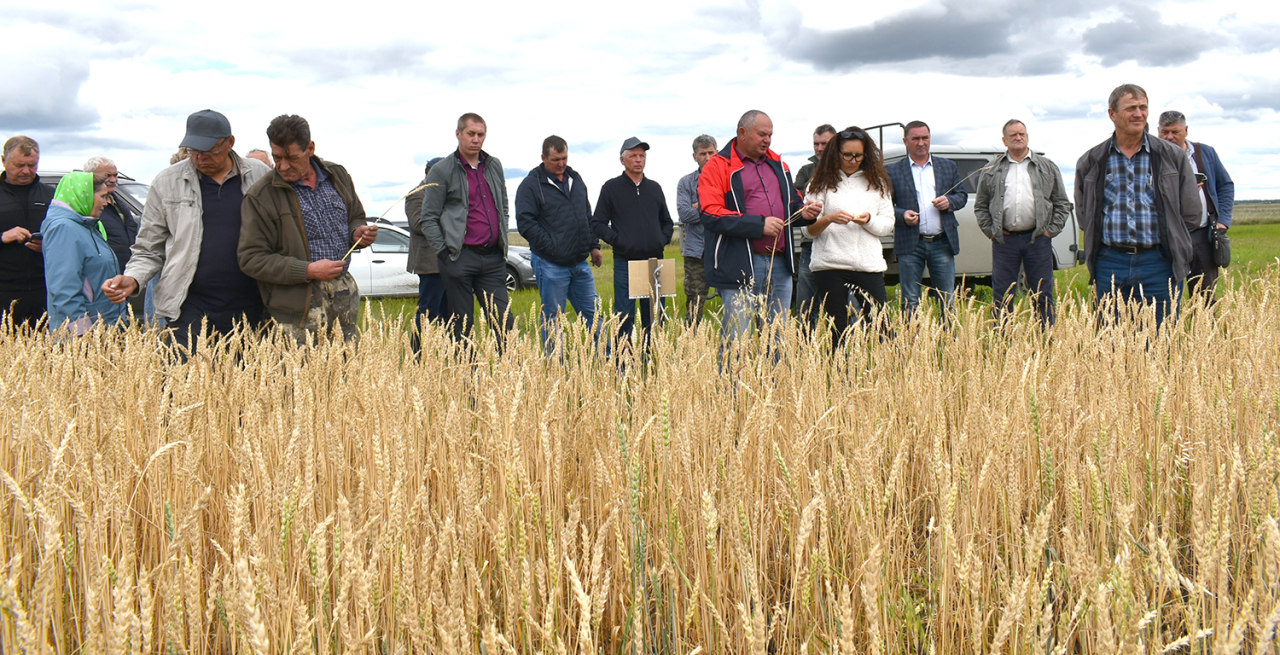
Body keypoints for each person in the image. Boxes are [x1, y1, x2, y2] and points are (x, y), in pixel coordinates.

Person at [102, 109, 273, 345]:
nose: (201, 157)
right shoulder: (166, 182)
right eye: (194, 150)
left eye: (210, 150)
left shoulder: (259, 175)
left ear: (230, 142)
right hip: (189, 306)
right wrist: (133, 278)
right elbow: (148, 248)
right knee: (186, 379)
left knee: (248, 380)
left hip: (253, 303)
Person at [239, 114, 376, 342]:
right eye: (277, 157)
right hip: (296, 310)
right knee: (299, 377)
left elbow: (355, 217)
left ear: (310, 148)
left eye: (291, 157)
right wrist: (308, 270)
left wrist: (358, 232)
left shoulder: (337, 175)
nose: (283, 166)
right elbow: (250, 259)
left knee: (346, 374)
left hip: (344, 299)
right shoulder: (260, 196)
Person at [1075, 84, 1200, 328]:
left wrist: (1169, 242)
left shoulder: (1172, 156)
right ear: (1112, 114)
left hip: (1160, 262)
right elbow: (1084, 214)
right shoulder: (1092, 160)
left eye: (1143, 107)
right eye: (1131, 108)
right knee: (1111, 342)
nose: (1139, 114)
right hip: (1110, 261)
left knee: (1160, 339)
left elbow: (1191, 213)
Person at [698, 110, 821, 347]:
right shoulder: (718, 166)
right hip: (739, 265)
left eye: (770, 135)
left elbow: (792, 205)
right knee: (738, 339)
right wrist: (759, 225)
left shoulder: (779, 165)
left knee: (778, 338)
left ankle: (776, 385)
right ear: (742, 133)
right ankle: (733, 385)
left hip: (780, 264)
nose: (767, 140)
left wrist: (804, 213)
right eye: (762, 134)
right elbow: (711, 214)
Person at [420, 113, 515, 345]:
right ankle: (467, 380)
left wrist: (502, 239)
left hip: (492, 258)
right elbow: (428, 217)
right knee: (463, 327)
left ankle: (513, 379)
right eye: (471, 134)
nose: (476, 139)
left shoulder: (493, 165)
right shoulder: (441, 171)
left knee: (505, 324)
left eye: (481, 134)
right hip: (459, 257)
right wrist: (444, 254)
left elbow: (502, 205)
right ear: (458, 134)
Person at [802, 127, 895, 349]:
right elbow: (807, 231)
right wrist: (829, 218)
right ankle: (841, 380)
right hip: (830, 266)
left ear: (866, 155)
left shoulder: (878, 183)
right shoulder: (819, 183)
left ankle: (892, 378)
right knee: (838, 331)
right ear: (836, 153)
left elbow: (887, 225)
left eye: (858, 155)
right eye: (847, 155)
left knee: (883, 327)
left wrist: (869, 219)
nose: (853, 161)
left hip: (868, 265)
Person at [973, 120, 1072, 326]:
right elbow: (980, 205)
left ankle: (1046, 340)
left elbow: (1061, 203)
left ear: (1027, 136)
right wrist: (992, 231)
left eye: (1022, 134)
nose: (1018, 138)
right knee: (1002, 294)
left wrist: (1050, 232)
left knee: (1042, 293)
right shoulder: (991, 170)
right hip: (1004, 241)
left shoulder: (1047, 167)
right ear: (1004, 140)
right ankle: (1003, 342)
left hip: (1038, 239)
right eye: (1013, 135)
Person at [516, 136, 603, 352]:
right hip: (550, 264)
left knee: (595, 313)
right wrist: (552, 248)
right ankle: (556, 369)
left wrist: (594, 246)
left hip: (580, 263)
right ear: (544, 157)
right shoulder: (531, 185)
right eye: (556, 159)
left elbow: (586, 215)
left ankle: (609, 362)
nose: (561, 163)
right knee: (553, 319)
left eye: (564, 158)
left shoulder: (575, 179)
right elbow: (526, 223)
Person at [591, 137, 674, 344]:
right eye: (633, 156)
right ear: (622, 160)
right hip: (625, 263)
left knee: (655, 317)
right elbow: (598, 223)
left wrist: (661, 240)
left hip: (655, 262)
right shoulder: (611, 188)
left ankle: (653, 361)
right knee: (625, 317)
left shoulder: (654, 188)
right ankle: (625, 364)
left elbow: (666, 221)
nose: (638, 160)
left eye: (642, 156)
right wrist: (620, 241)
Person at [887, 121, 968, 317]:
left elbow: (962, 195)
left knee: (947, 299)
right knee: (910, 299)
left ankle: (950, 344)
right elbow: (885, 206)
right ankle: (912, 345)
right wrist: (902, 215)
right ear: (906, 141)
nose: (921, 143)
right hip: (910, 245)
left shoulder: (947, 166)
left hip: (942, 242)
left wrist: (950, 201)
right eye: (916, 138)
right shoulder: (893, 170)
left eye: (925, 138)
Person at [1157, 110, 1235, 301]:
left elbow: (1225, 186)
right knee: (1163, 297)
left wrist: (1222, 222)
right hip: (1165, 237)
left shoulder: (1204, 153)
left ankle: (1204, 330)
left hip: (1201, 235)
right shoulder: (1153, 157)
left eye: (1175, 132)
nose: (1169, 137)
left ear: (1186, 130)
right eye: (1164, 132)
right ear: (1158, 132)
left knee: (1205, 298)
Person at [42, 171, 123, 333]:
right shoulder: (64, 229)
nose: (106, 203)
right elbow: (64, 288)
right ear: (84, 196)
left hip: (102, 325)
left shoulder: (87, 226)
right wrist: (82, 333)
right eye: (102, 196)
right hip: (85, 334)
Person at [0, 136, 52, 328]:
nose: (26, 171)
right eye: (19, 165)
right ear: (3, 160)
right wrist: (3, 237)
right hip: (4, 291)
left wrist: (48, 245)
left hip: (44, 290)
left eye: (32, 165)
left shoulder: (50, 195)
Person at [83, 156, 143, 319]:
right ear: (91, 177)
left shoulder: (119, 202)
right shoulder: (88, 207)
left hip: (126, 274)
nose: (113, 180)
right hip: (103, 281)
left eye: (115, 175)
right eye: (107, 176)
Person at [792, 124, 836, 321]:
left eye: (824, 144)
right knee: (805, 306)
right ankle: (804, 347)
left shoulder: (847, 170)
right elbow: (795, 201)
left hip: (839, 245)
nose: (819, 148)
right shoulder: (806, 171)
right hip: (810, 244)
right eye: (816, 144)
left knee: (839, 305)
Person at [406, 156, 449, 352]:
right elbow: (417, 224)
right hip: (430, 262)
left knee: (448, 312)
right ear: (428, 172)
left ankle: (442, 354)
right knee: (427, 311)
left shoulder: (446, 193)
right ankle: (417, 352)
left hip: (449, 261)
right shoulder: (417, 194)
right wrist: (448, 220)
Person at [675, 135, 717, 325]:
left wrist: (697, 206)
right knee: (694, 302)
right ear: (695, 156)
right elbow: (684, 214)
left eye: (711, 153)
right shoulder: (686, 183)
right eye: (703, 154)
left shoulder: (728, 179)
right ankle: (690, 347)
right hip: (695, 253)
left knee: (734, 301)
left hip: (724, 250)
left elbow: (733, 212)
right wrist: (714, 208)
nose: (707, 157)